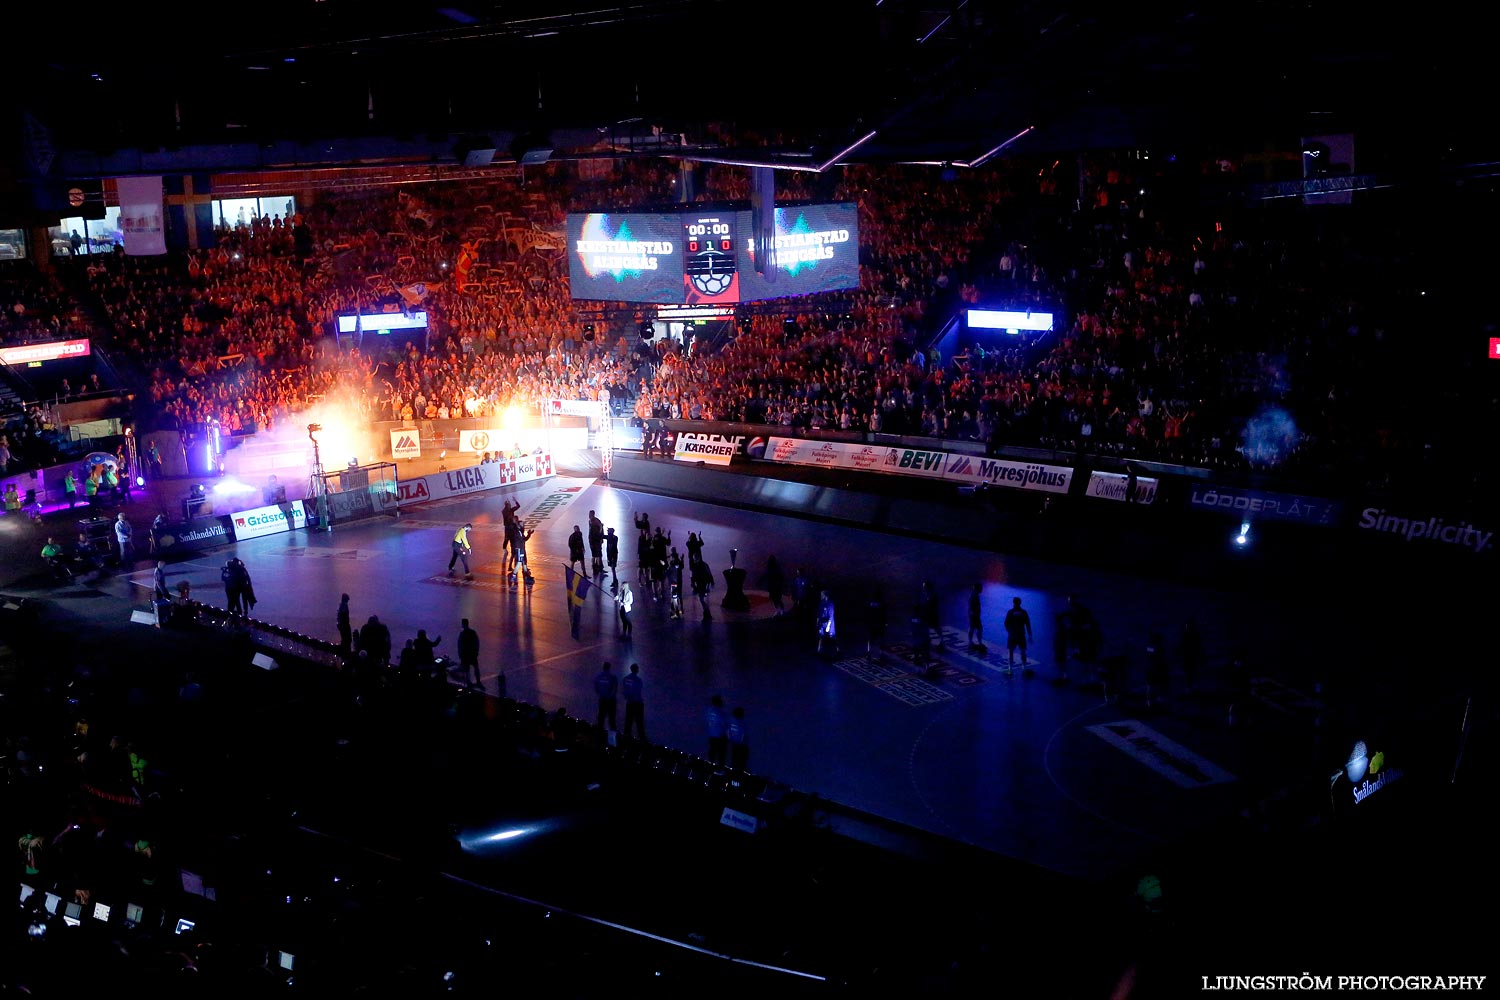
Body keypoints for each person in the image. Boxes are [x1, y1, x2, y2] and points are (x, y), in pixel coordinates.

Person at [1004, 597, 1034, 670]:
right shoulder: (1023, 612)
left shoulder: (1010, 612)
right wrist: (1029, 635)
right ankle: (1023, 667)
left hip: (1014, 635)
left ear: (1013, 603)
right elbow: (1028, 624)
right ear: (1020, 603)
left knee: (1012, 651)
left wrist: (1009, 632)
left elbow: (1006, 623)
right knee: (1022, 651)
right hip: (1020, 635)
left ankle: (1010, 668)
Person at [621, 663, 646, 742]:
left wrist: (628, 697)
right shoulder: (638, 680)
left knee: (628, 720)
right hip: (638, 703)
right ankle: (642, 739)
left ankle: (626, 736)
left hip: (629, 702)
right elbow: (639, 691)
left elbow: (624, 690)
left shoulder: (625, 679)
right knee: (639, 721)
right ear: (637, 670)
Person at [1145, 632, 1169, 710]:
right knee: (1154, 685)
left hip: (1154, 668)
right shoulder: (1156, 648)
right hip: (1154, 668)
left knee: (1153, 685)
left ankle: (1152, 701)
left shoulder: (1152, 648)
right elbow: (1158, 658)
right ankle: (1151, 701)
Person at [594, 661, 618, 731]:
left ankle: (599, 735)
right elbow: (615, 689)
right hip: (611, 700)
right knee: (612, 719)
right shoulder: (612, 677)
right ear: (609, 668)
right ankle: (612, 739)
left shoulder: (598, 676)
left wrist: (601, 694)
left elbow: (596, 688)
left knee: (601, 718)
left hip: (602, 699)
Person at [458, 618, 481, 689]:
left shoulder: (462, 634)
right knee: (476, 667)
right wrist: (476, 651)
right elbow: (477, 642)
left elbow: (460, 645)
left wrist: (460, 654)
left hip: (465, 654)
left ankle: (469, 682)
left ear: (463, 624)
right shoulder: (473, 632)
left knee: (467, 669)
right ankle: (478, 681)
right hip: (472, 653)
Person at [705, 695, 728, 766]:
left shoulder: (708, 710)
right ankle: (720, 770)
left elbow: (707, 721)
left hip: (711, 735)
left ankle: (710, 766)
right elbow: (724, 724)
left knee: (712, 752)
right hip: (720, 736)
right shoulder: (720, 712)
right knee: (721, 755)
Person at [816, 590, 838, 654]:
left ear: (825, 596)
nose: (821, 596)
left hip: (829, 624)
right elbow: (818, 613)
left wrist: (828, 626)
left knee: (832, 638)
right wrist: (817, 622)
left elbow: (831, 616)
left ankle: (837, 650)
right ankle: (819, 651)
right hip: (822, 623)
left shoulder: (830, 604)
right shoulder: (821, 603)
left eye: (822, 595)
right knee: (821, 637)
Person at [866, 588, 887, 654]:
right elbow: (883, 615)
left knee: (870, 638)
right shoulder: (882, 605)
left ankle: (869, 652)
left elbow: (868, 614)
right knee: (881, 638)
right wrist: (885, 623)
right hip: (879, 624)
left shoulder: (871, 604)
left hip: (872, 623)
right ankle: (881, 653)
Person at [728, 706, 749, 771]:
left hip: (735, 744)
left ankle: (736, 770)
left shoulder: (731, 721)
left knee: (735, 759)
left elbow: (728, 732)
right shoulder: (741, 723)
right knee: (740, 760)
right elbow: (743, 734)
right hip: (739, 744)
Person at [587, 510, 605, 577]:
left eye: (590, 514)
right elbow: (600, 529)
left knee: (597, 555)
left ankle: (598, 568)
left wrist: (601, 538)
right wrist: (601, 527)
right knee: (596, 555)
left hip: (595, 540)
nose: (589, 516)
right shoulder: (593, 521)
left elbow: (600, 530)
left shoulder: (594, 521)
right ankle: (596, 568)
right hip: (594, 541)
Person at [968, 583, 985, 651]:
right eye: (981, 588)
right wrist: (973, 613)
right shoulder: (974, 596)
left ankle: (972, 642)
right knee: (978, 628)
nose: (982, 590)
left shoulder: (975, 595)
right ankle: (976, 643)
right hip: (974, 615)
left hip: (975, 615)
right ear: (978, 589)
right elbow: (971, 605)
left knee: (974, 628)